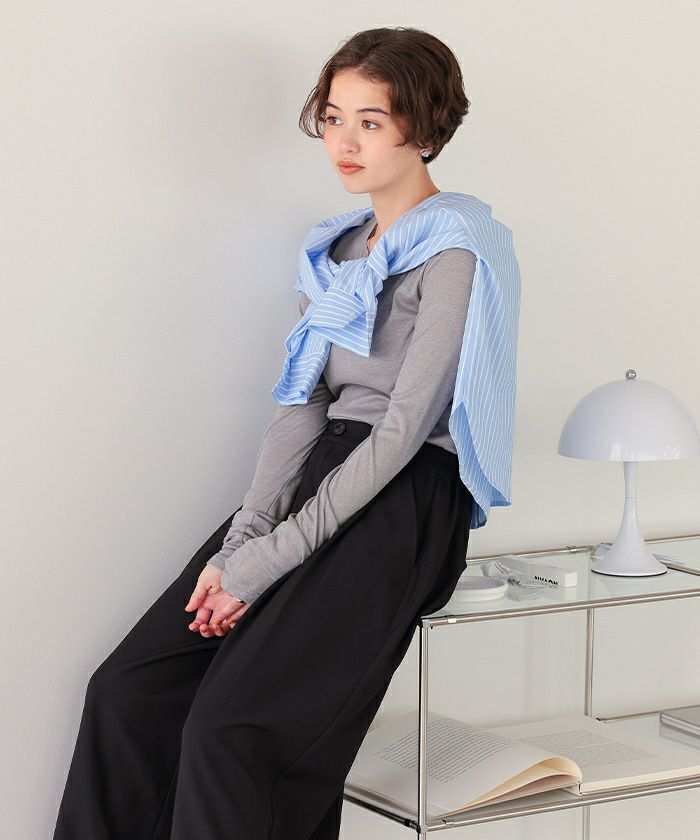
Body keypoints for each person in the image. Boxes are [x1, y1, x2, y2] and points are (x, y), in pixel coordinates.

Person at [53, 26, 515, 840]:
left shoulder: (461, 249)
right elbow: (300, 403)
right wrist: (243, 541)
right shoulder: (336, 250)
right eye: (333, 118)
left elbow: (403, 430)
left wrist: (263, 563)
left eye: (370, 121)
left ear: (424, 128)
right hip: (325, 470)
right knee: (130, 690)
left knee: (232, 733)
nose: (344, 142)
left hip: (406, 495)